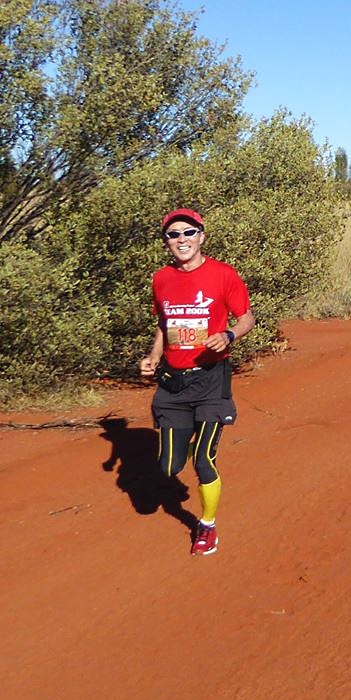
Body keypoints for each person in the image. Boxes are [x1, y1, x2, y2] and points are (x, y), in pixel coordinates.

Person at [139, 209, 255, 556]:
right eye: (173, 235)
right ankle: (193, 436)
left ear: (202, 236)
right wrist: (153, 358)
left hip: (211, 381)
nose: (181, 240)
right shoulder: (161, 279)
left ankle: (206, 526)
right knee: (170, 467)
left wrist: (229, 335)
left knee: (203, 459)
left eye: (188, 232)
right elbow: (163, 323)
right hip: (174, 385)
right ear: (166, 243)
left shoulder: (222, 274)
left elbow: (247, 316)